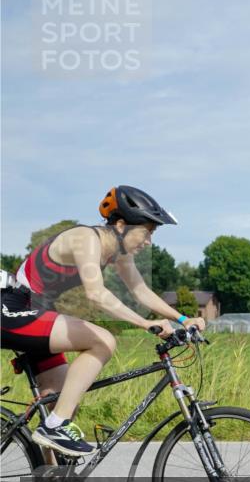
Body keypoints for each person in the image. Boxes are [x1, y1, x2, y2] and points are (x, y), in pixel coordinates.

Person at [0, 186, 206, 456]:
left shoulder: (117, 254)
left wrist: (181, 318)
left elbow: (140, 290)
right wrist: (146, 324)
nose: (149, 242)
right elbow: (96, 294)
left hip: (37, 312)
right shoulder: (87, 239)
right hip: (13, 307)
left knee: (63, 403)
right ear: (121, 225)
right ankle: (55, 426)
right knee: (103, 341)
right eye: (147, 231)